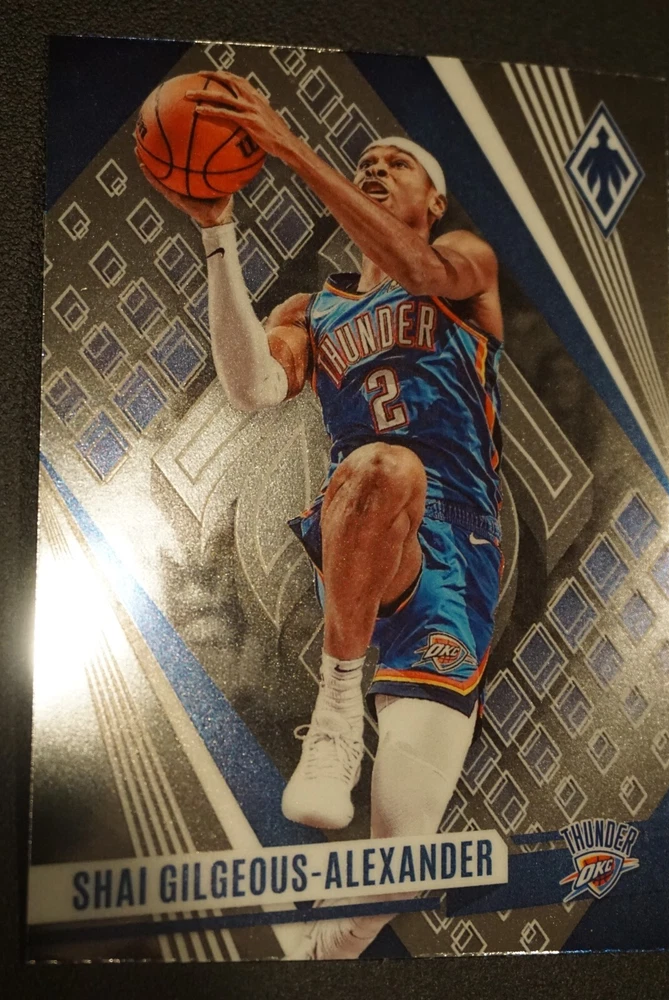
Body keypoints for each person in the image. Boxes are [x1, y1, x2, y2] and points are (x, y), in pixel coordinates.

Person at [137, 70, 504, 960]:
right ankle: (337, 711)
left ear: (434, 199)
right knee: (381, 463)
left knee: (400, 867)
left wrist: (292, 149)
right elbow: (252, 387)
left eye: (394, 163)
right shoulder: (317, 308)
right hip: (364, 524)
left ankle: (315, 959)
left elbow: (419, 267)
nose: (374, 167)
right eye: (364, 160)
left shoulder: (464, 263)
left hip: (457, 549)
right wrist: (216, 230)